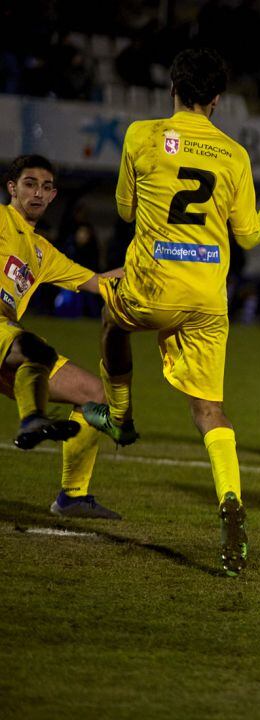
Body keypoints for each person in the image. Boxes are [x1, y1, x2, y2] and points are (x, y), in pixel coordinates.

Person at [81, 48, 260, 576]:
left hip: (152, 283)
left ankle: (121, 415)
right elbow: (247, 233)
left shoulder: (142, 134)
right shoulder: (234, 153)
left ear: (173, 89)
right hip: (206, 296)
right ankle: (230, 502)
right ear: (218, 101)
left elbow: (126, 210)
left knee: (113, 321)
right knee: (209, 411)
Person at [1, 155, 121, 519]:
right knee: (32, 348)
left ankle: (73, 496)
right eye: (29, 184)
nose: (38, 192)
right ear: (11, 188)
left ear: (54, 195)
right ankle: (31, 420)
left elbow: (98, 283)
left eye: (46, 187)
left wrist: (152, 266)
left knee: (94, 394)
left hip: (6, 342)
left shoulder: (41, 252)